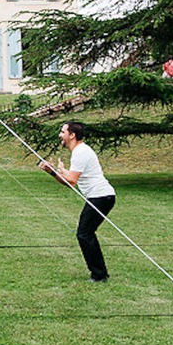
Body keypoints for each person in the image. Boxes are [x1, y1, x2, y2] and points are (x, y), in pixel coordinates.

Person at [39, 121, 117, 283]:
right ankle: (99, 273)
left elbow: (72, 181)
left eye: (62, 132)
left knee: (84, 233)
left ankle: (99, 274)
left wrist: (53, 170)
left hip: (101, 196)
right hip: (100, 196)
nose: (60, 135)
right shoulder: (80, 151)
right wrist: (55, 171)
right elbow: (70, 181)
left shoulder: (81, 151)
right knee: (85, 233)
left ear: (72, 135)